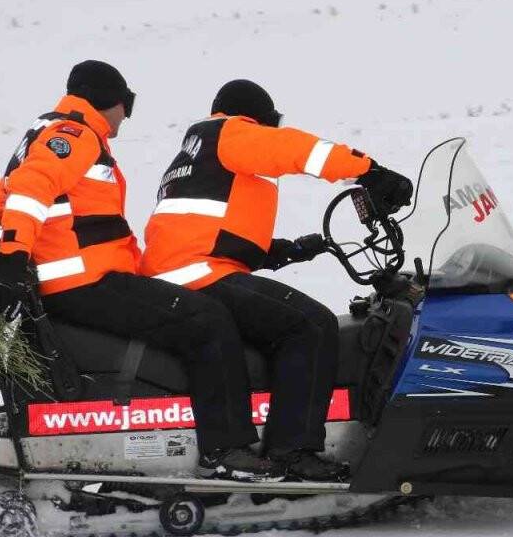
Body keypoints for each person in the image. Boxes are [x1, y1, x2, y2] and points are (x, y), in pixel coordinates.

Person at [0, 61, 281, 482]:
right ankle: (226, 448)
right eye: (128, 104)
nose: (126, 116)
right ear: (109, 100)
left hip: (78, 276)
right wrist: (13, 257)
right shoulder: (74, 134)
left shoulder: (44, 132)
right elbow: (30, 190)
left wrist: (31, 248)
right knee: (207, 319)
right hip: (83, 281)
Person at [140, 79, 412, 481]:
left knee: (283, 318)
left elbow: (205, 226)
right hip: (196, 272)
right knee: (310, 324)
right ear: (259, 117)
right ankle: (293, 451)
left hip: (181, 268)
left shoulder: (195, 152)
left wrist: (281, 250)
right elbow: (298, 150)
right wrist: (370, 172)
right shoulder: (231, 131)